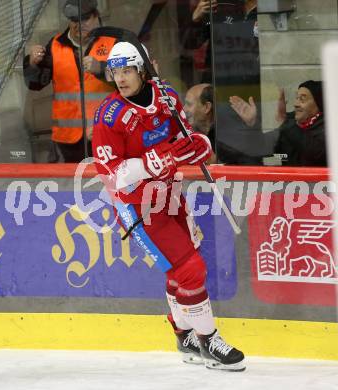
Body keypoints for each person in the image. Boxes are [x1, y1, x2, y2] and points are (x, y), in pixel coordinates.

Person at [92, 41, 245, 371]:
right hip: (138, 205)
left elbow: (183, 136)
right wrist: (159, 160)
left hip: (170, 195)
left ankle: (184, 334)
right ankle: (209, 340)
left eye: (128, 70)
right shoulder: (108, 115)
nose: (120, 78)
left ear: (144, 70)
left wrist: (197, 145)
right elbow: (112, 174)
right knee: (191, 269)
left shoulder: (167, 98)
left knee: (180, 271)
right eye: (115, 72)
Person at [23, 0, 116, 162]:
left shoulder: (114, 42)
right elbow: (36, 84)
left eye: (84, 19)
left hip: (107, 132)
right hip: (69, 139)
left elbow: (135, 80)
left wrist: (102, 69)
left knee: (108, 183)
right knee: (75, 184)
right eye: (74, 20)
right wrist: (32, 64)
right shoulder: (55, 45)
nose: (79, 24)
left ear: (96, 16)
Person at [230, 80, 327, 166]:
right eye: (296, 98)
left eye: (302, 99)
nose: (296, 104)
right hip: (290, 185)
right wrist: (252, 124)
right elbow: (259, 147)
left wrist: (285, 121)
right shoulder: (291, 125)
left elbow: (316, 153)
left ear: (319, 103)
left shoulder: (330, 127)